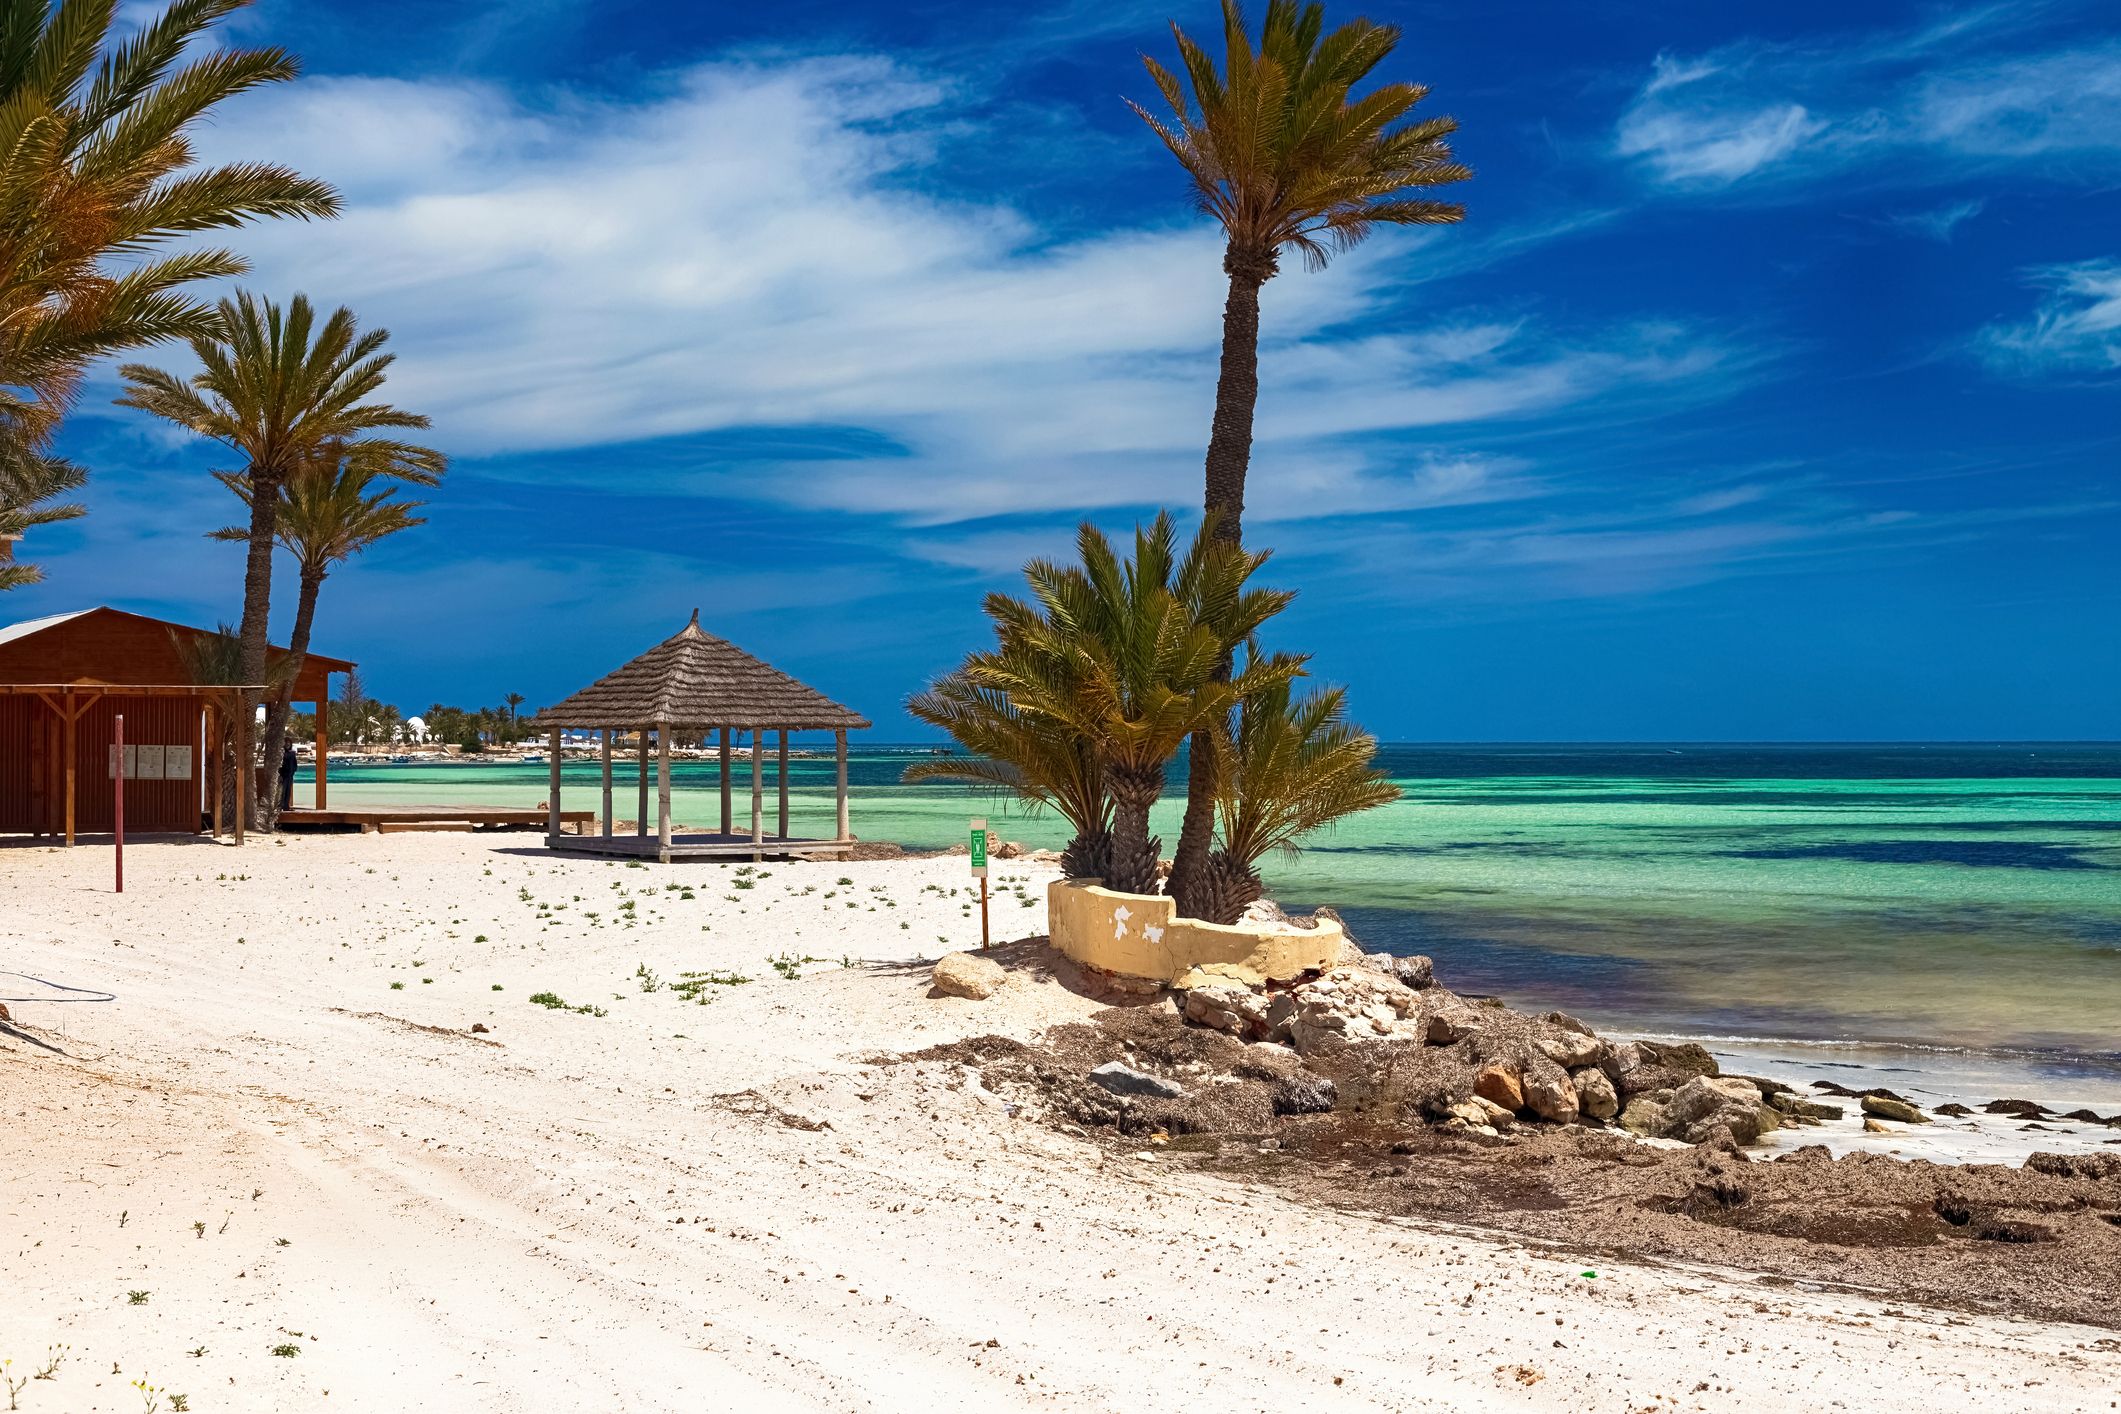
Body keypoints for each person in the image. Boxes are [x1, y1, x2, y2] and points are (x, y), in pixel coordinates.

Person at [280, 741, 299, 811]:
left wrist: (293, 771)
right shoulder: (281, 753)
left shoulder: (292, 753)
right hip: (283, 775)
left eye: (289, 744)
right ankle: (280, 806)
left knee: (288, 791)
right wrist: (281, 774)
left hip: (290, 775)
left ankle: (286, 806)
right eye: (286, 744)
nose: (287, 745)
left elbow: (295, 764)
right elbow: (280, 765)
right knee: (283, 791)